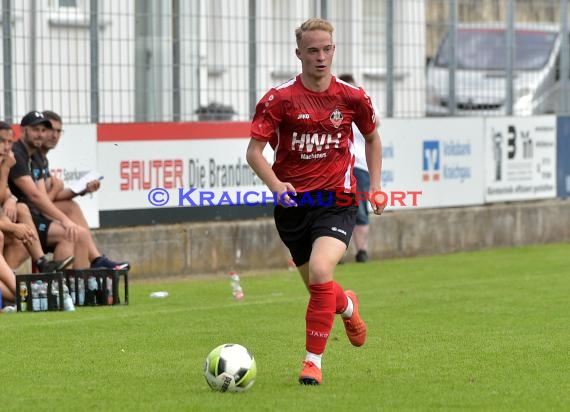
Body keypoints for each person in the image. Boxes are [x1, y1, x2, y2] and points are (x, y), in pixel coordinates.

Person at [246, 18, 384, 385]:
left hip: (338, 201)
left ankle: (312, 363)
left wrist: (377, 186)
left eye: (326, 49)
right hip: (292, 207)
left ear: (333, 50)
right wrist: (276, 184)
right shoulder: (280, 99)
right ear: (299, 54)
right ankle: (348, 306)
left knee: (323, 272)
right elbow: (254, 152)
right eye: (312, 51)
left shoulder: (352, 97)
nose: (320, 57)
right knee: (320, 291)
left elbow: (372, 138)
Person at [32, 110, 130, 271]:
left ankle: (91, 268)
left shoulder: (42, 159)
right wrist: (56, 188)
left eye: (58, 131)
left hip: (37, 213)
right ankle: (91, 266)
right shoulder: (32, 157)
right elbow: (40, 201)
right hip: (28, 217)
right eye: (51, 130)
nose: (54, 135)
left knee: (72, 209)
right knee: (75, 231)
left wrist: (81, 190)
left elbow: (51, 198)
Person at [338, 73, 371, 263]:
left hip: (359, 165)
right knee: (337, 209)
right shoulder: (334, 108)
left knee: (360, 209)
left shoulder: (363, 104)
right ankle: (337, 253)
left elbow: (375, 126)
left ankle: (362, 251)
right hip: (338, 167)